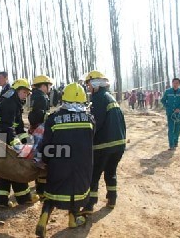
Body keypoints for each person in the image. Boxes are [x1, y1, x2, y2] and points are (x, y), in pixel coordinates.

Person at [35, 83, 95, 237]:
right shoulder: (89, 119)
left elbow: (45, 143)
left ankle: (43, 219)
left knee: (53, 192)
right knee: (78, 192)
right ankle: (73, 219)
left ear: (63, 98)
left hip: (59, 163)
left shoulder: (53, 119)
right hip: (82, 165)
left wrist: (45, 160)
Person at [81, 70, 126, 214]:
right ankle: (112, 199)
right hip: (118, 145)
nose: (88, 88)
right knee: (111, 172)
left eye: (88, 84)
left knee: (94, 174)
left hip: (103, 146)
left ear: (95, 84)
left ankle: (89, 205)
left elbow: (95, 123)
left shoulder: (98, 98)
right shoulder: (110, 98)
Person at [0, 79, 39, 208]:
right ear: (16, 91)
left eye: (27, 93)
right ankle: (24, 198)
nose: (25, 95)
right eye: (24, 92)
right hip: (2, 139)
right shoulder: (10, 104)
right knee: (15, 167)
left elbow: (19, 128)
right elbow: (7, 127)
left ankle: (1, 200)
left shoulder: (15, 104)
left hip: (3, 138)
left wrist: (27, 140)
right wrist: (17, 144)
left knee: (6, 169)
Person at [28, 75, 53, 198]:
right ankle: (42, 190)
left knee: (36, 156)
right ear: (43, 85)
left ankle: (39, 186)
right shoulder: (42, 97)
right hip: (41, 130)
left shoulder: (34, 96)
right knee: (42, 159)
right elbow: (41, 115)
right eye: (49, 85)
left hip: (35, 129)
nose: (50, 88)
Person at [161, 78, 180, 151]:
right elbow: (163, 100)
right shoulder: (167, 91)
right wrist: (167, 107)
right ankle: (171, 145)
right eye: (174, 83)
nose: (175, 84)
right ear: (172, 83)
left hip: (178, 114)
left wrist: (179, 108)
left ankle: (176, 142)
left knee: (177, 129)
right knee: (171, 129)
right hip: (170, 113)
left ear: (179, 84)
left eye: (177, 83)